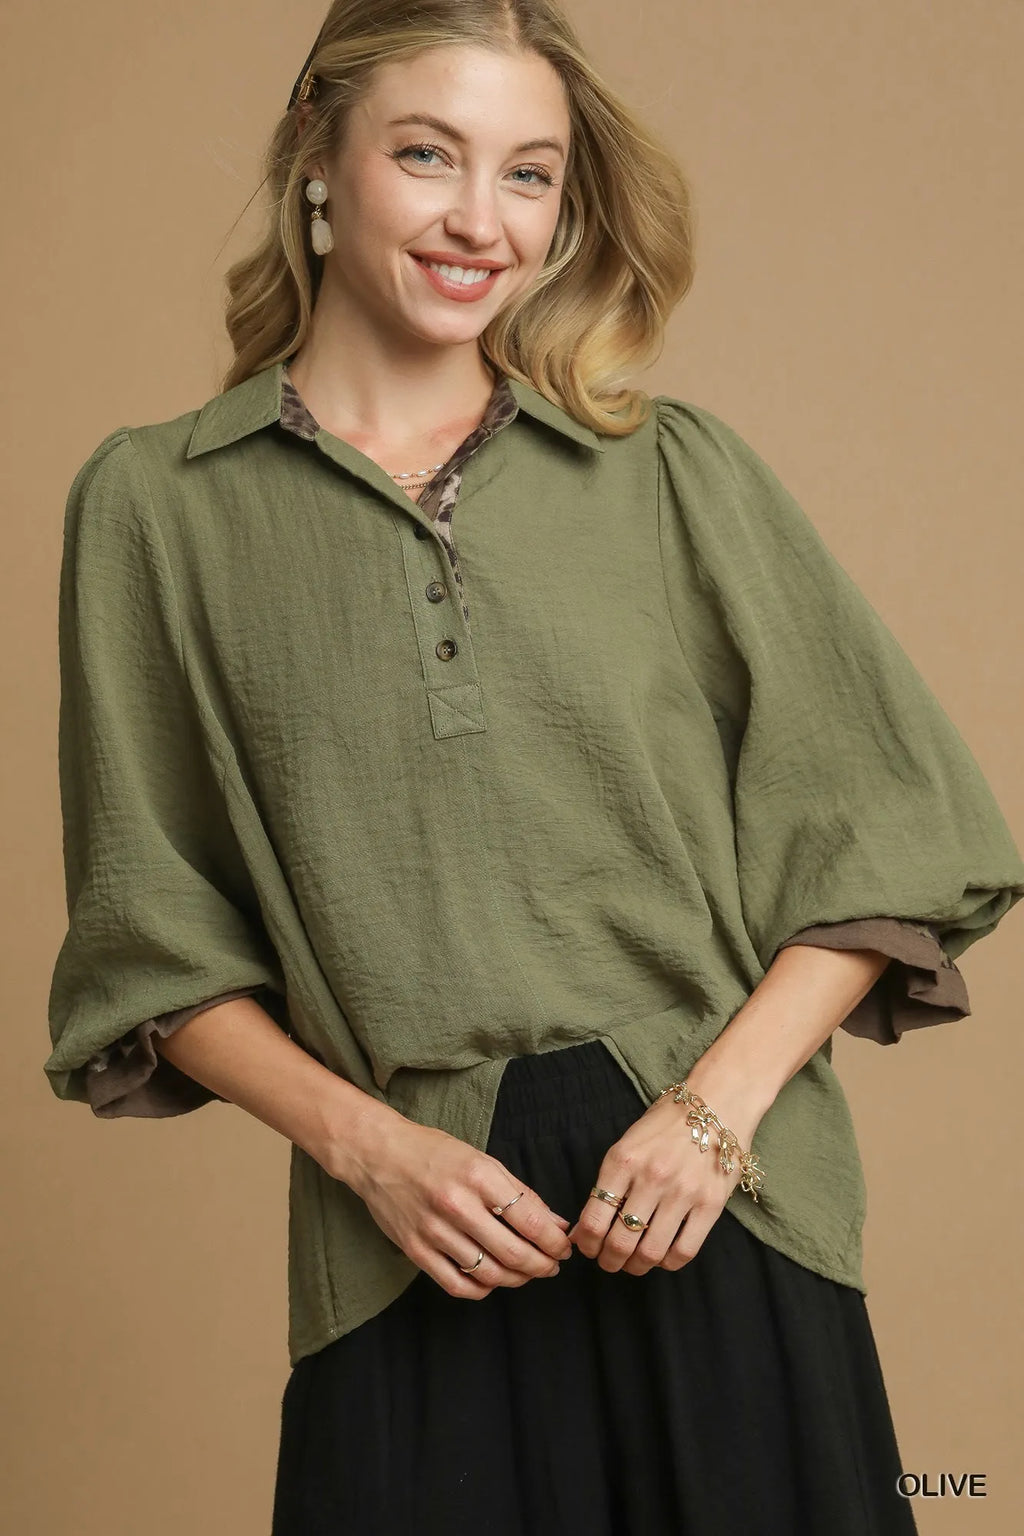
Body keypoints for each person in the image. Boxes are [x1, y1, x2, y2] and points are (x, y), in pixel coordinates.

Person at [44, 3, 1024, 1532]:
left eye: (528, 173)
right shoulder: (157, 509)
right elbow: (148, 942)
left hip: (721, 1205)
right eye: (428, 156)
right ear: (317, 151)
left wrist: (713, 1120)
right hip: (408, 1241)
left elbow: (896, 839)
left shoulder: (668, 469)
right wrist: (369, 1150)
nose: (479, 221)